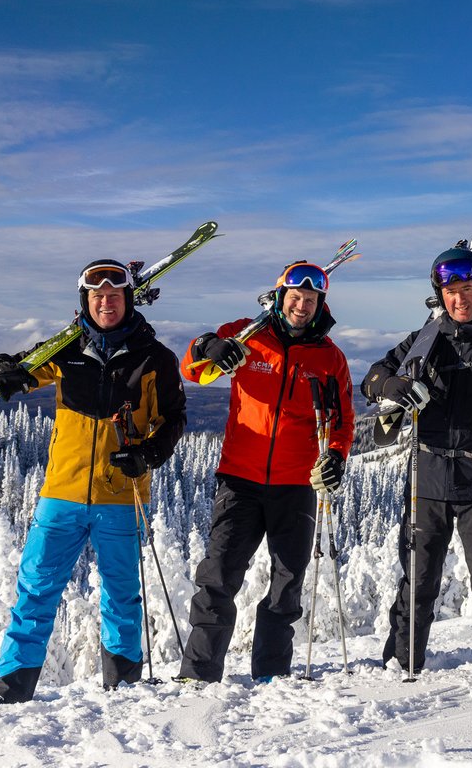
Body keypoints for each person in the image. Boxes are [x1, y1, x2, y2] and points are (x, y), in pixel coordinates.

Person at [0, 259, 186, 705]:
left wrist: (148, 454)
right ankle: (9, 691)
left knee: (122, 596)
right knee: (35, 592)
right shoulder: (65, 349)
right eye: (96, 296)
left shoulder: (156, 359)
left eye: (113, 296)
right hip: (62, 494)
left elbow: (173, 419)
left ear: (128, 300)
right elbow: (17, 367)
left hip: (121, 494)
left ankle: (124, 686)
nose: (105, 302)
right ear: (85, 302)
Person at [362, 246, 472, 676]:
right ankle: (400, 665)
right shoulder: (425, 342)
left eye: (466, 289)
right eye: (450, 292)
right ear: (439, 296)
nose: (459, 299)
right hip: (429, 474)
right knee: (418, 581)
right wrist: (395, 385)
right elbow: (372, 378)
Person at [177, 261, 354, 683]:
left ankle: (271, 674)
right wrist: (208, 346)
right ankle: (198, 674)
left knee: (287, 583)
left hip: (296, 484)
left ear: (319, 305)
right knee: (218, 576)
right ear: (279, 297)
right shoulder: (248, 334)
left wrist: (335, 457)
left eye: (310, 300)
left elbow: (342, 419)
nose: (302, 305)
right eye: (295, 297)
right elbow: (192, 371)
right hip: (240, 477)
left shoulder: (330, 357)